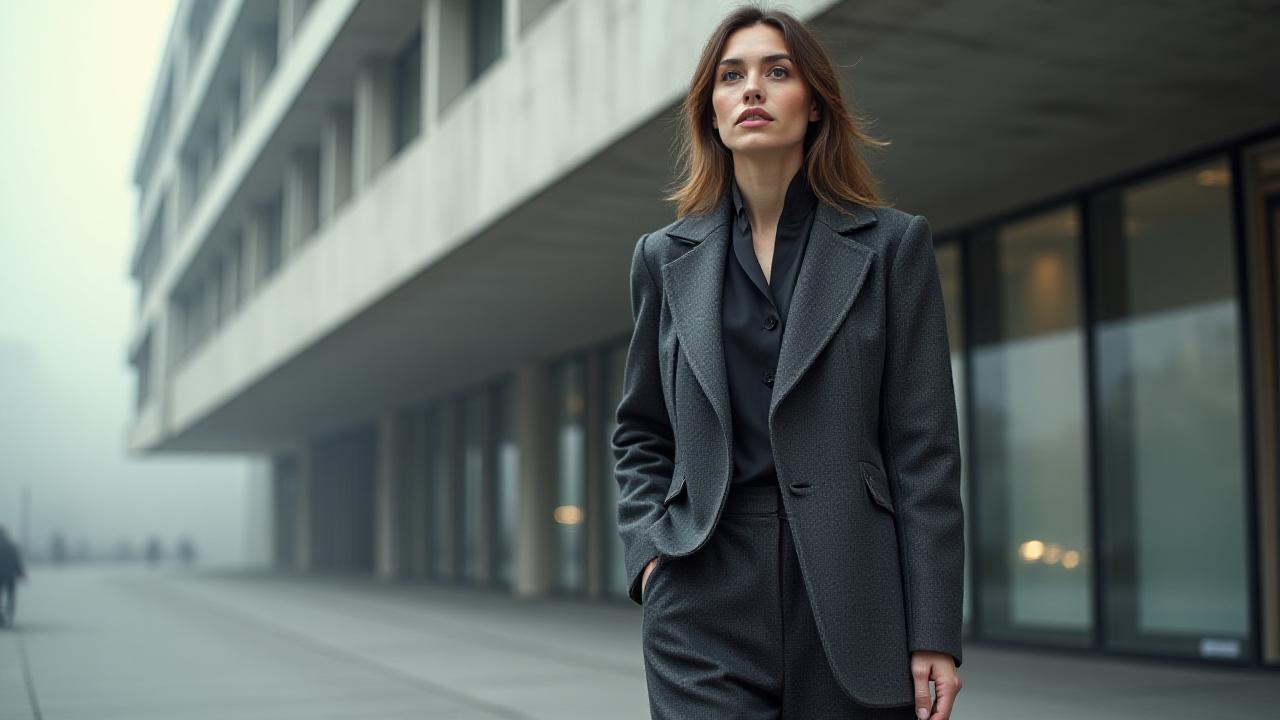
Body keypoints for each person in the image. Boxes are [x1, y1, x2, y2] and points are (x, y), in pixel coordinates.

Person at [612, 5, 964, 719]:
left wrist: (935, 632)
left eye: (777, 71)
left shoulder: (894, 249)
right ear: (711, 113)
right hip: (702, 586)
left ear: (814, 107)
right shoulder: (662, 259)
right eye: (731, 75)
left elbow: (925, 453)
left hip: (852, 592)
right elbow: (640, 432)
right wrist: (652, 558)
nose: (752, 89)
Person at [0, 526, 26, 629]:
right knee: (11, 596)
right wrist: (21, 573)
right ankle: (9, 616)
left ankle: (1, 616)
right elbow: (17, 560)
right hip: (10, 576)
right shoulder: (11, 546)